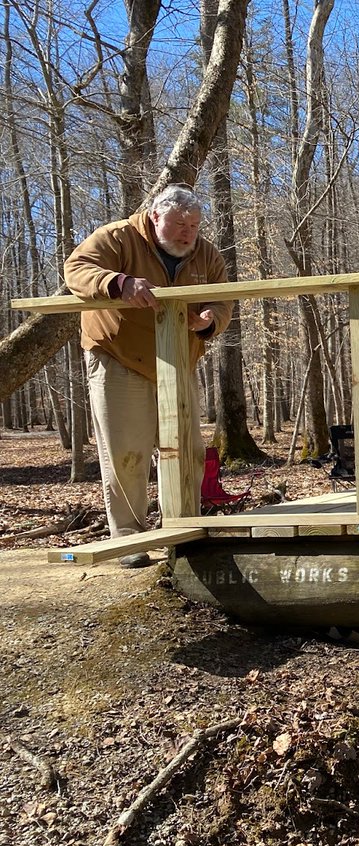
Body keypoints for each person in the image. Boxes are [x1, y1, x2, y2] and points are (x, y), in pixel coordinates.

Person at [64, 184, 232, 567]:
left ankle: (184, 528)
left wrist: (210, 320)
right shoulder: (118, 237)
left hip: (177, 360)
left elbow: (222, 298)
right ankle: (130, 539)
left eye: (194, 225)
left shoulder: (205, 253)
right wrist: (119, 283)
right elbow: (76, 269)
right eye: (179, 224)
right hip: (119, 356)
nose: (187, 233)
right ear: (155, 216)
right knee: (127, 454)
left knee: (187, 450)